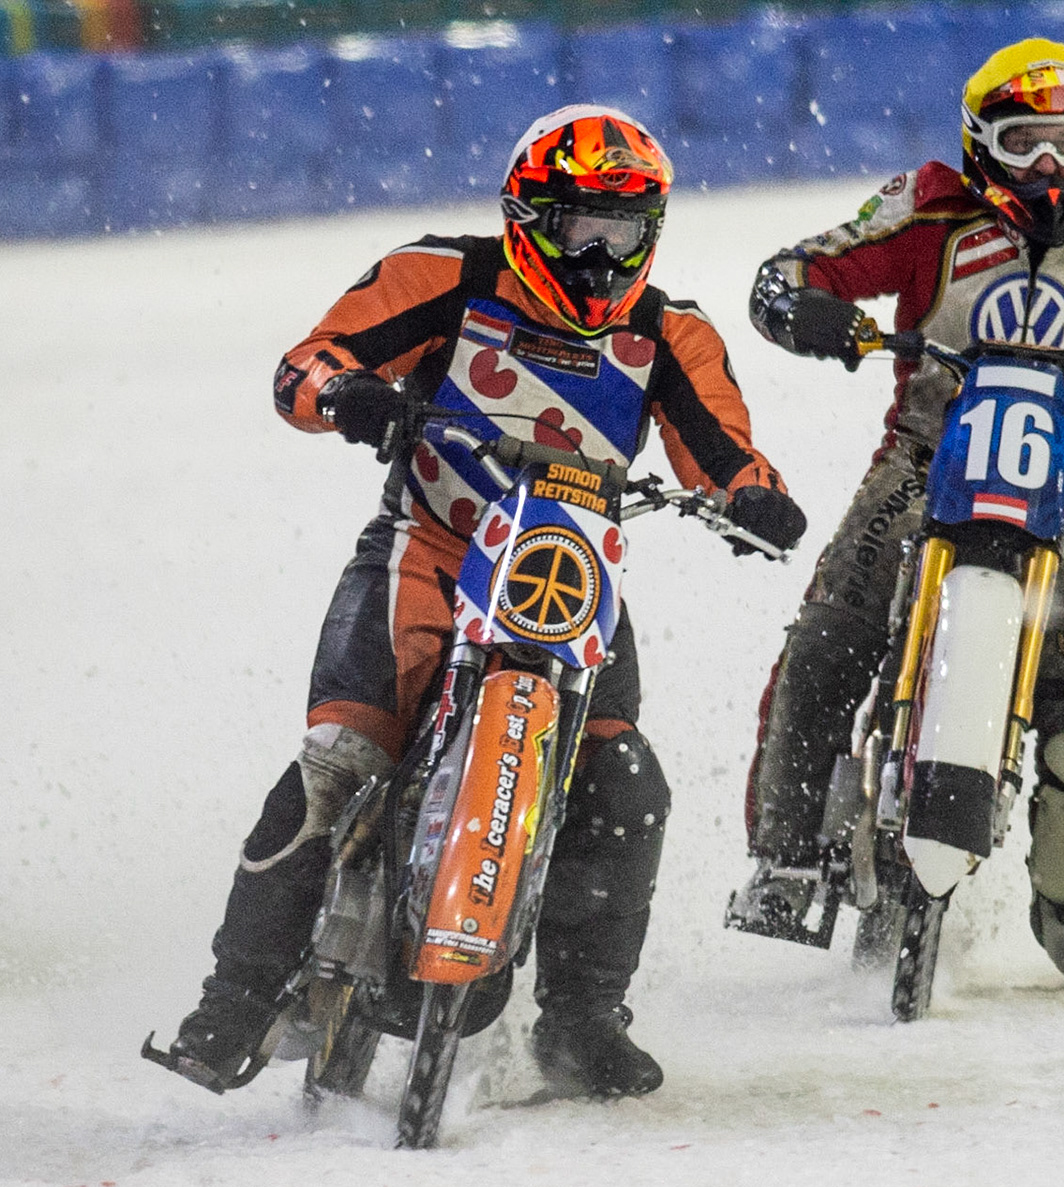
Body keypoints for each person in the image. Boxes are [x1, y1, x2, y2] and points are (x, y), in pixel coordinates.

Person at [155, 105, 806, 1097]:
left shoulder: (672, 331)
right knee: (338, 762)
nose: (596, 257)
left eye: (619, 233)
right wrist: (345, 396)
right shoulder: (440, 278)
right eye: (575, 228)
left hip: (570, 573)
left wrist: (754, 493)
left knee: (627, 785)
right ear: (524, 219)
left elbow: (721, 447)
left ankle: (584, 1020)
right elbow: (307, 363)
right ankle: (232, 1001)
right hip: (424, 551)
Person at [727, 40, 1064, 984]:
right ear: (982, 143)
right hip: (920, 462)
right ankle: (786, 859)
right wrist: (804, 306)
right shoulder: (928, 209)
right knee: (828, 636)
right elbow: (803, 269)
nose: (1048, 169)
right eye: (1023, 143)